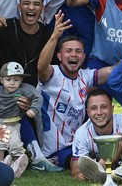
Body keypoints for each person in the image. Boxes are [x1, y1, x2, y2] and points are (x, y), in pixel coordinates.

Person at [36, 12, 114, 168]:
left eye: (78, 51)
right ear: (59, 55)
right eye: (68, 51)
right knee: (79, 162)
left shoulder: (85, 76)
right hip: (56, 148)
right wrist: (54, 37)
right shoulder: (52, 74)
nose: (74, 54)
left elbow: (114, 71)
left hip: (78, 141)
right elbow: (41, 67)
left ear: (84, 56)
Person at [0, 62, 39, 169]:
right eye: (8, 79)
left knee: (15, 143)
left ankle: (17, 164)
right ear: (1, 80)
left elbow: (38, 97)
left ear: (21, 80)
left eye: (16, 80)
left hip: (14, 123)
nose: (12, 83)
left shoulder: (24, 90)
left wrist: (33, 109)